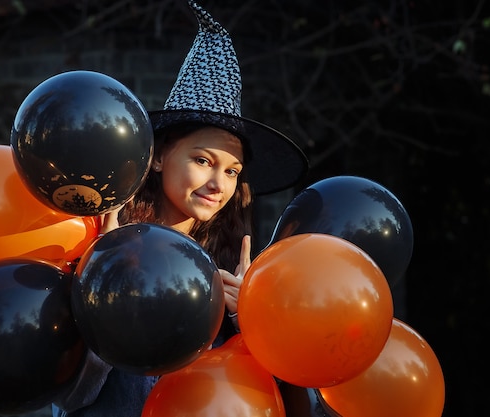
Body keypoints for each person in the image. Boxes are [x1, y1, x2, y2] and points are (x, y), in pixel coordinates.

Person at [52, 1, 308, 416]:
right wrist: (102, 277)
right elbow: (69, 398)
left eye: (232, 171)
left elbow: (272, 403)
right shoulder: (98, 247)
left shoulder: (232, 275)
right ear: (156, 157)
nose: (218, 184)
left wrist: (253, 326)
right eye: (203, 160)